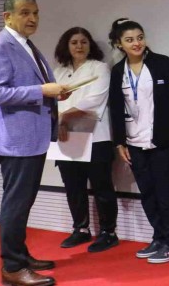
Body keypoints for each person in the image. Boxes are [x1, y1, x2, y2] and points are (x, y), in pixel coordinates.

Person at [0, 0, 68, 286]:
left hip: (31, 137)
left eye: (36, 13)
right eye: (25, 13)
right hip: (16, 139)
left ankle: (20, 255)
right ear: (7, 17)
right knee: (16, 203)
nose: (33, 18)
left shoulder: (25, 44)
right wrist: (42, 91)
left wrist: (54, 93)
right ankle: (12, 267)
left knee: (23, 201)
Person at [107, 18, 169, 264]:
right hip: (134, 141)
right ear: (119, 44)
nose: (137, 43)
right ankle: (159, 237)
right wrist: (119, 142)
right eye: (129, 40)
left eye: (140, 38)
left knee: (165, 192)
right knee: (148, 193)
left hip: (163, 141)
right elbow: (115, 107)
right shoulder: (118, 71)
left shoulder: (162, 63)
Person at [52, 27, 119, 252]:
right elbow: (52, 102)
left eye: (83, 41)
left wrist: (63, 117)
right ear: (66, 46)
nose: (79, 46)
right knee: (73, 186)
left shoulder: (99, 68)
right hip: (66, 135)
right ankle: (80, 229)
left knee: (102, 186)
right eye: (74, 42)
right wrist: (59, 121)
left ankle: (108, 232)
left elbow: (94, 100)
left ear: (90, 45)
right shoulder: (59, 72)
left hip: (95, 135)